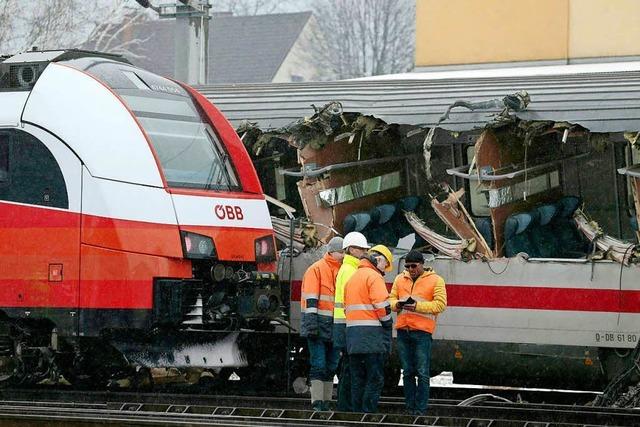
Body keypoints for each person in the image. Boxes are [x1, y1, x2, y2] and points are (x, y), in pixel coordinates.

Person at [389, 250, 447, 415]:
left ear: (422, 264)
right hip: (403, 330)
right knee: (407, 372)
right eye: (407, 266)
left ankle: (420, 409)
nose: (410, 269)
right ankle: (410, 407)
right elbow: (391, 299)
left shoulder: (436, 280)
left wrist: (417, 306)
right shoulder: (400, 279)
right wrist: (397, 305)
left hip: (422, 332)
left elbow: (440, 305)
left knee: (422, 372)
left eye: (413, 266)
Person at [344, 244, 394, 413]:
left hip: (353, 337)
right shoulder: (374, 277)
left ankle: (357, 414)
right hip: (371, 337)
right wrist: (388, 323)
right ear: (378, 259)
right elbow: (382, 306)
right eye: (385, 264)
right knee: (375, 378)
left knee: (357, 379)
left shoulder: (353, 277)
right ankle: (368, 412)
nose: (385, 269)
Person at [300, 236, 344, 411]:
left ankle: (325, 403)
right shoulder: (316, 270)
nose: (343, 255)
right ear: (331, 252)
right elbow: (310, 301)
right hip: (318, 325)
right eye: (341, 252)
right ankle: (318, 402)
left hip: (333, 326)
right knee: (319, 365)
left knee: (331, 366)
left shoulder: (340, 270)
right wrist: (311, 327)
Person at [333, 231, 370, 412]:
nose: (364, 252)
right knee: (349, 370)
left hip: (343, 325)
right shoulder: (350, 271)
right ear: (352, 250)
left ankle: (344, 406)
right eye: (362, 249)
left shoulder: (346, 269)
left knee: (347, 368)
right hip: (348, 326)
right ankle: (346, 407)